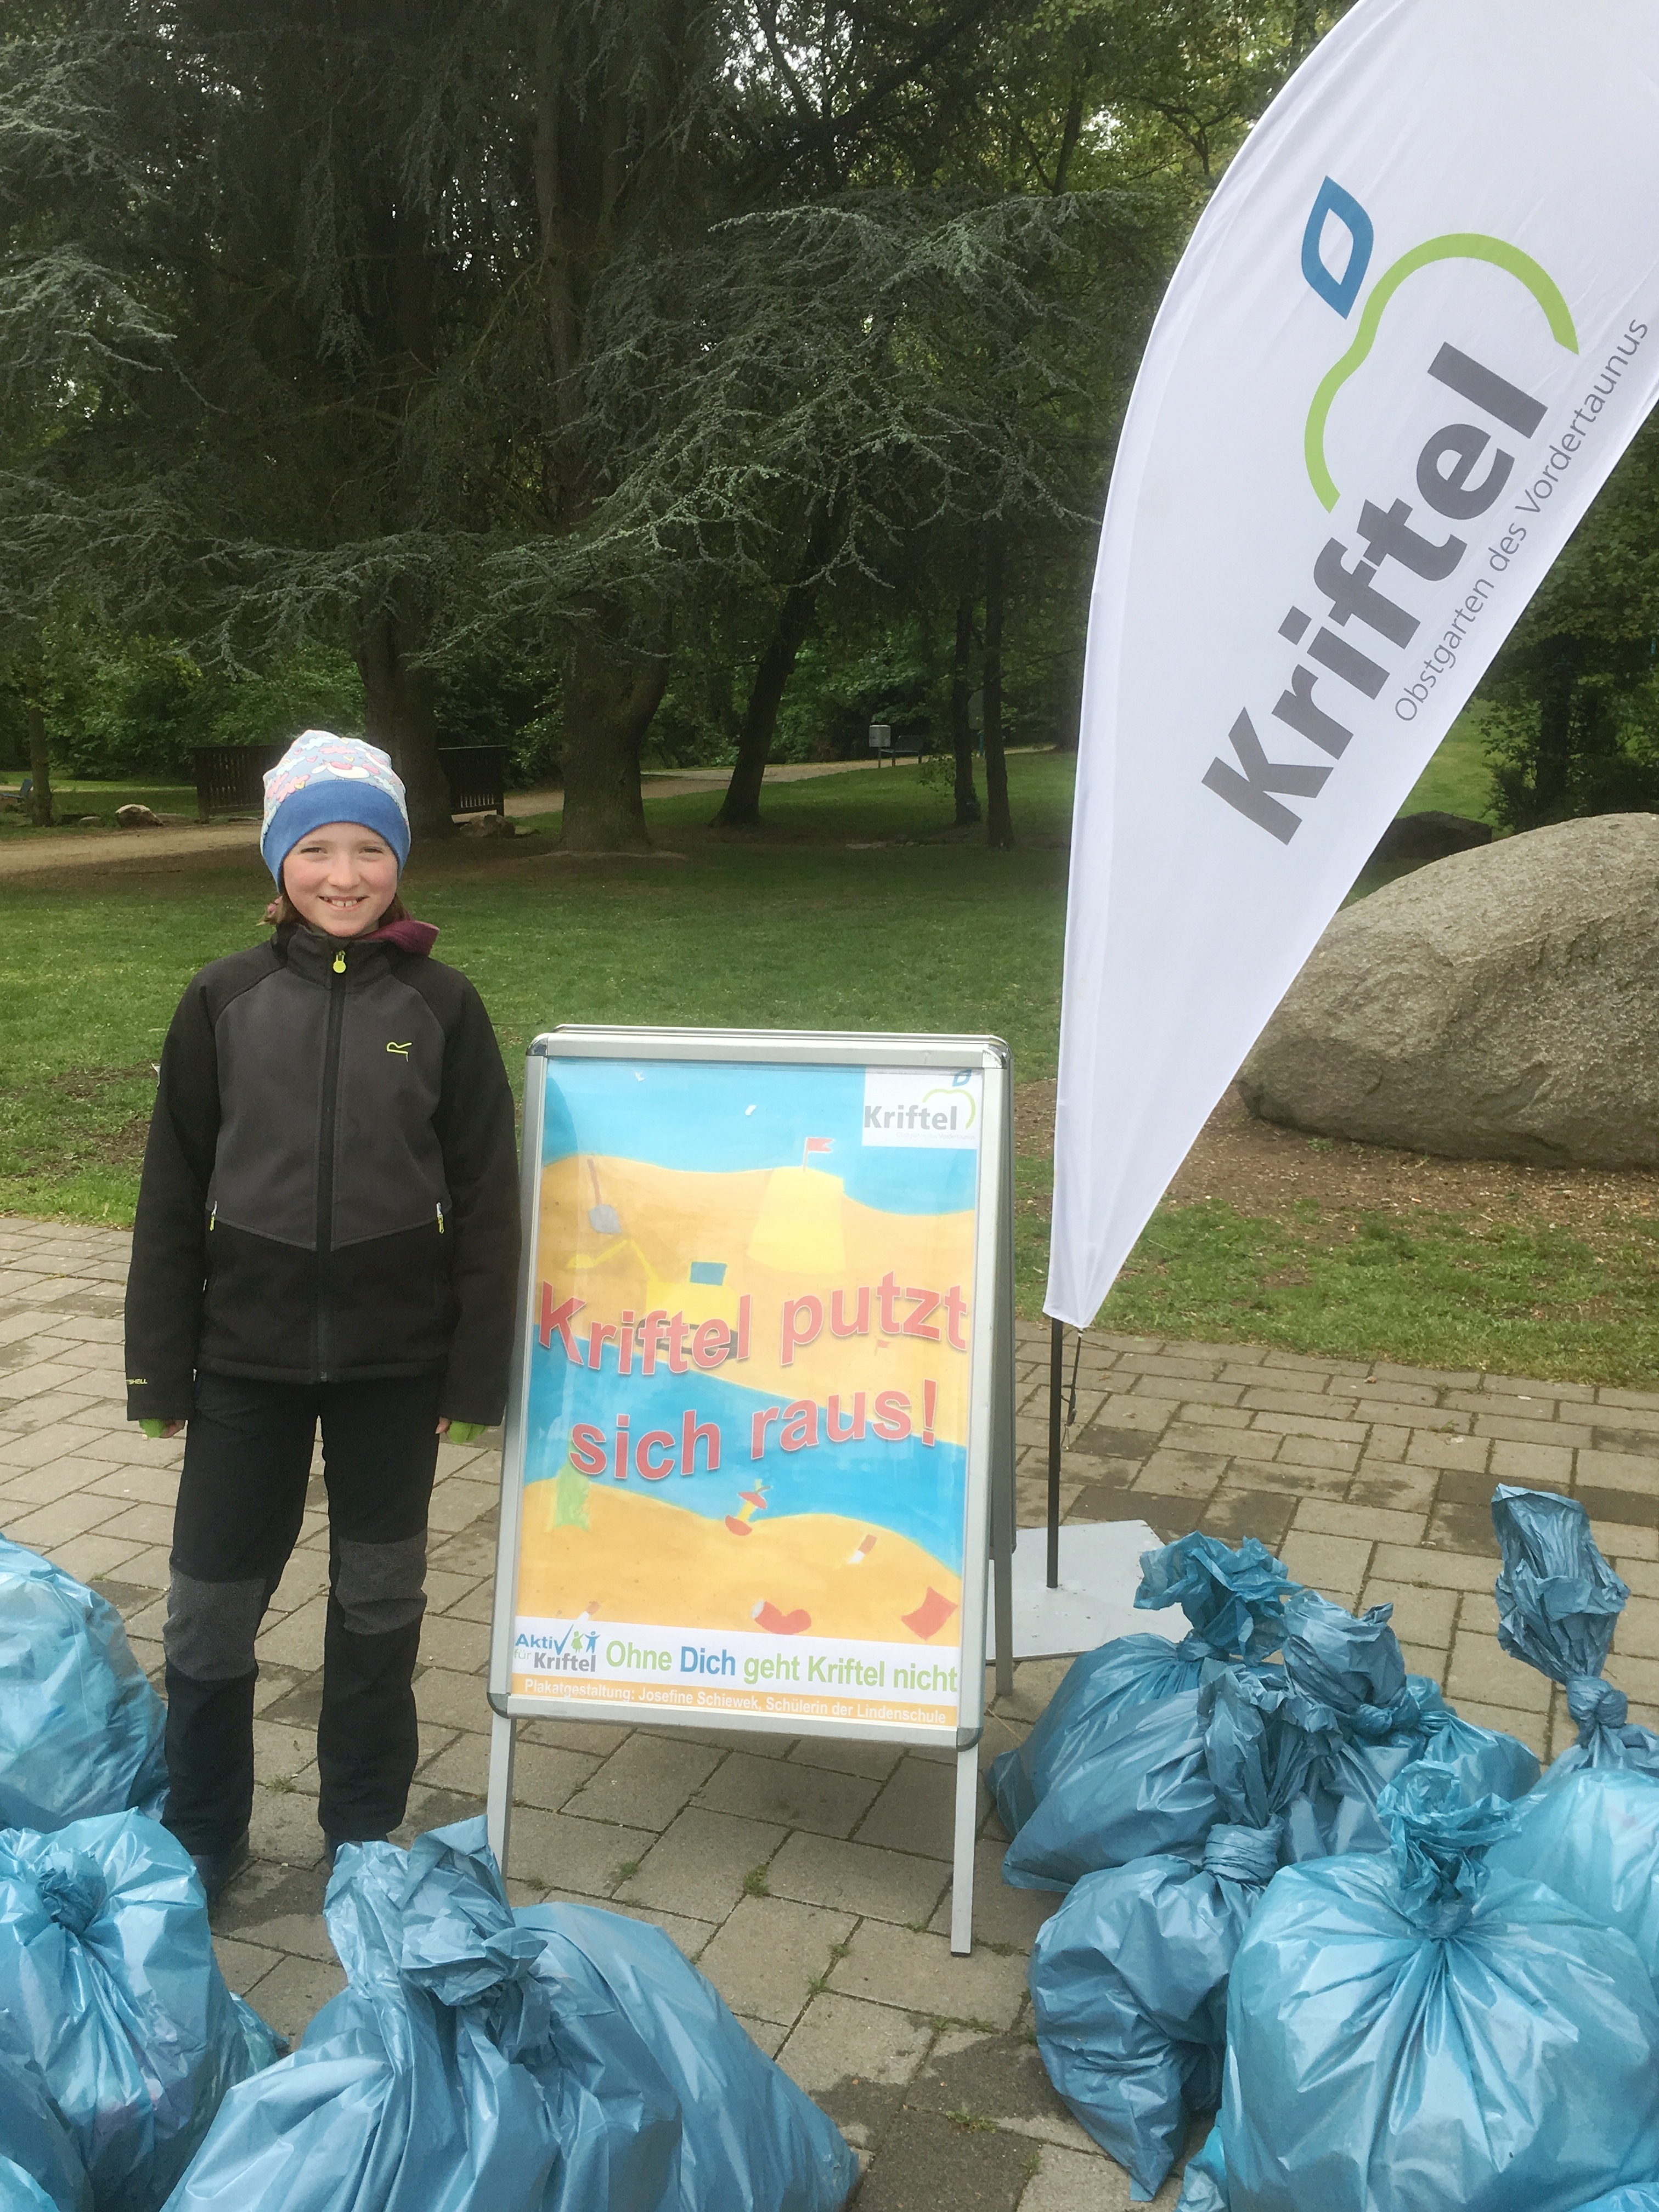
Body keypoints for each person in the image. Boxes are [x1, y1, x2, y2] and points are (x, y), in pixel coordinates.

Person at [123, 730, 521, 1900]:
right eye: (315, 849)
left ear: (400, 861)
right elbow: (167, 1190)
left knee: (381, 1602)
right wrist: (160, 1370)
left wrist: (474, 1376)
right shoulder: (223, 1000)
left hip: (399, 1366)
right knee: (205, 1614)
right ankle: (204, 1833)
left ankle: (360, 1837)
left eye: (367, 849)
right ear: (277, 861)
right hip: (242, 1361)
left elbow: (492, 1197)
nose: (342, 875)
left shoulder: (445, 1005)